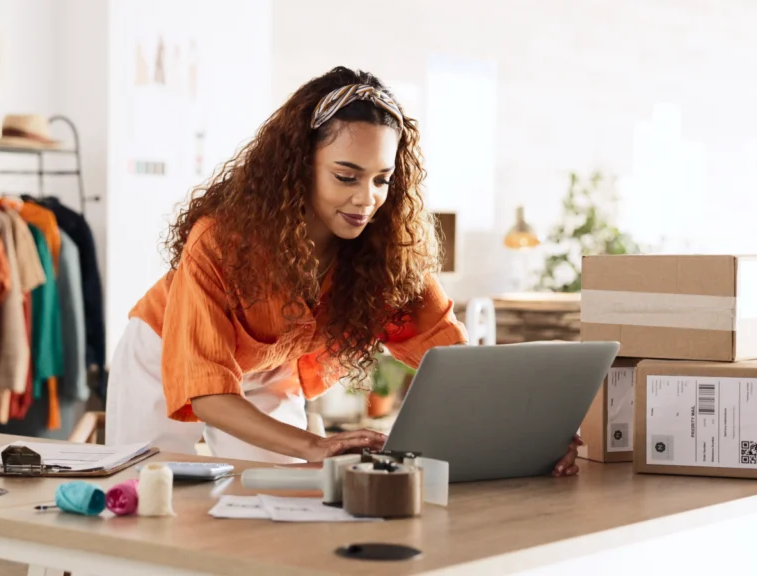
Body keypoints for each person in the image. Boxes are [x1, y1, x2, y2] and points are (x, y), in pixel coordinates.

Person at [106, 66, 581, 474]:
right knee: (145, 490)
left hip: (267, 371)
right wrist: (315, 444)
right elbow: (207, 391)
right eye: (345, 176)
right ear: (299, 165)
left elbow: (454, 360)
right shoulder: (220, 242)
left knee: (280, 504)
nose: (366, 199)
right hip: (162, 352)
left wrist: (533, 430)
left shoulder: (388, 253)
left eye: (382, 179)